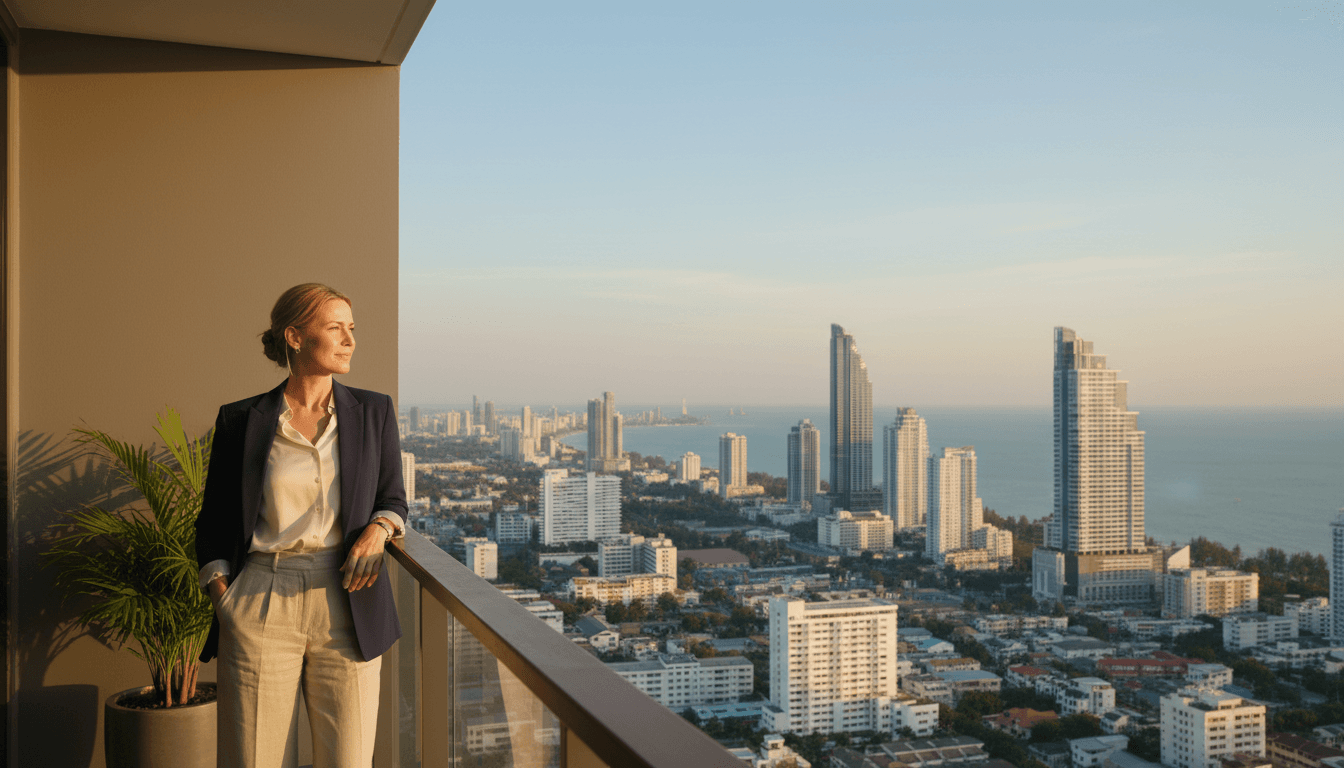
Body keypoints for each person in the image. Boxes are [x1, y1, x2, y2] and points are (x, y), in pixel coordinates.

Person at [195, 283, 407, 768]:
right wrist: (224, 597)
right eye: (335, 328)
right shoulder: (240, 420)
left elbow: (392, 497)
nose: (350, 340)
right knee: (256, 759)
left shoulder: (374, 412)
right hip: (261, 599)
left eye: (351, 329)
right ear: (294, 336)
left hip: (350, 600)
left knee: (349, 760)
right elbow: (213, 520)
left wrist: (380, 529)